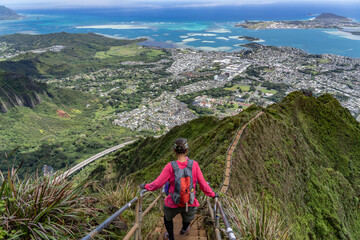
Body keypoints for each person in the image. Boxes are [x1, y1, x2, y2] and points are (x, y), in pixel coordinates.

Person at [140, 138, 218, 240]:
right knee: (187, 218)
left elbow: (157, 184)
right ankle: (184, 229)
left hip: (173, 201)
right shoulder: (194, 165)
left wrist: (146, 186)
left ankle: (171, 238)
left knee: (167, 218)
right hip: (189, 201)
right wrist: (212, 194)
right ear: (186, 150)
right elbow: (203, 184)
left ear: (174, 151)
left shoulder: (170, 166)